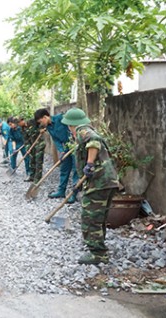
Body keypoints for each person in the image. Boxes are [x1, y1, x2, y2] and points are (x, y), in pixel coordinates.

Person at [61, 108, 119, 265]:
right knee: (98, 217)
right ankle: (99, 248)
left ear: (70, 125)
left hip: (99, 182)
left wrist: (90, 163)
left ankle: (97, 254)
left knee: (90, 218)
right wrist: (82, 180)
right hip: (107, 181)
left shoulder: (82, 130)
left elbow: (94, 141)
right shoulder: (84, 131)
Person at [34, 108, 79, 204]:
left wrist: (75, 141)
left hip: (75, 145)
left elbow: (72, 128)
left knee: (76, 170)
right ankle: (61, 191)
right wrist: (62, 151)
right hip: (66, 147)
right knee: (64, 168)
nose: (41, 125)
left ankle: (74, 194)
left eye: (41, 122)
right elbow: (56, 140)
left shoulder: (61, 118)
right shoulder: (49, 128)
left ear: (45, 117)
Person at [25, 119, 46, 183]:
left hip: (39, 144)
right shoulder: (22, 129)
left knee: (38, 161)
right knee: (32, 161)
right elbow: (26, 139)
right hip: (32, 145)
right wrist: (28, 148)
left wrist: (42, 129)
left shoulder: (33, 121)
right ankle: (32, 176)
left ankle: (37, 179)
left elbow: (44, 125)